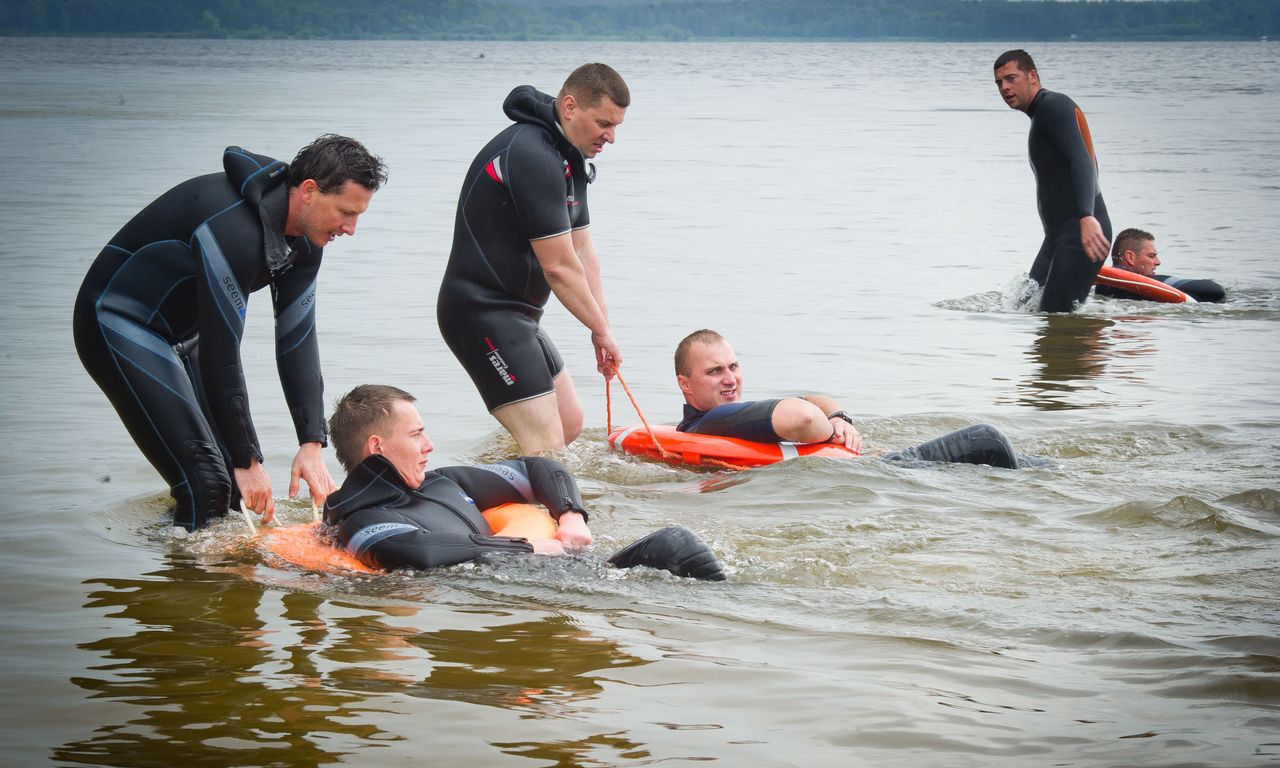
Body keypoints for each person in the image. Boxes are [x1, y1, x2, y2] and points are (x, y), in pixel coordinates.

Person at [74, 135, 387, 530]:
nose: (352, 228)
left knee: (236, 493)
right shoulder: (234, 228)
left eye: (358, 215)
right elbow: (225, 354)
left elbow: (297, 341)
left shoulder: (307, 243)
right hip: (118, 322)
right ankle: (195, 582)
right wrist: (248, 459)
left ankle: (187, 552)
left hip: (187, 334)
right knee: (206, 483)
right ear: (309, 191)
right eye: (346, 212)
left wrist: (311, 444)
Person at [324, 385, 724, 580]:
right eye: (415, 435)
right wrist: (527, 545)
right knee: (678, 548)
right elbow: (416, 551)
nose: (430, 445)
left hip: (576, 574)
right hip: (529, 590)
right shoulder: (362, 520)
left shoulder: (442, 483)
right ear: (377, 446)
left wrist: (570, 515)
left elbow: (538, 468)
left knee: (676, 544)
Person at [437, 63, 629, 454]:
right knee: (546, 446)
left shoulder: (569, 157)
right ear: (570, 107)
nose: (610, 137)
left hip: (519, 316)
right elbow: (557, 267)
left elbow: (582, 250)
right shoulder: (531, 155)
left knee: (570, 423)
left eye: (617, 127)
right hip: (479, 313)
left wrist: (602, 327)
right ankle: (524, 503)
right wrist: (600, 331)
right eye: (604, 124)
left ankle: (500, 486)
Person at [674, 330, 1020, 469]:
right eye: (715, 371)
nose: (731, 378)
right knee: (984, 438)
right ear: (685, 385)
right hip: (895, 467)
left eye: (734, 366)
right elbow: (804, 417)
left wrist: (839, 417)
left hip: (888, 468)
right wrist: (832, 433)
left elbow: (812, 399)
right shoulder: (712, 422)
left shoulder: (725, 417)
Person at [995, 49, 1112, 313]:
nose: (1004, 87)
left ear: (1032, 76)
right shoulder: (1043, 114)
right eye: (999, 82)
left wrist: (1086, 215)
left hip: (1081, 234)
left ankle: (1089, 350)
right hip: (1058, 237)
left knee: (1056, 320)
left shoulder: (1053, 106)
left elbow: (1082, 161)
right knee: (1024, 309)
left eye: (1011, 78)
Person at [1096, 228, 1225, 303]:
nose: (1158, 262)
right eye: (1151, 256)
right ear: (1130, 257)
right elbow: (1214, 290)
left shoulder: (1101, 285)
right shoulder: (1126, 283)